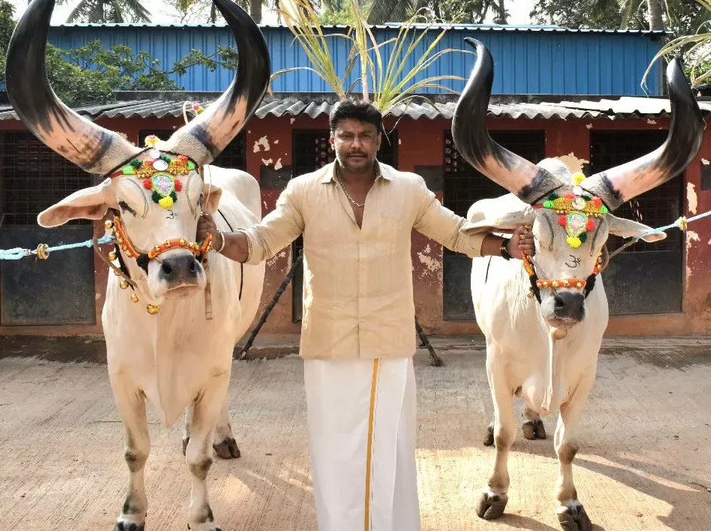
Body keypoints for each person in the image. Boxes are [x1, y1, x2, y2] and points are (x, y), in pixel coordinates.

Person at [200, 97, 534, 531]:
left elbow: (454, 233)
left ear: (379, 140)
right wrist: (219, 239)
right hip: (328, 342)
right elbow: (261, 242)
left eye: (365, 136)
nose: (356, 144)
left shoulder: (409, 189)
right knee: (333, 449)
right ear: (332, 139)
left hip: (388, 342)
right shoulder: (302, 191)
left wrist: (506, 246)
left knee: (388, 448)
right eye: (347, 135)